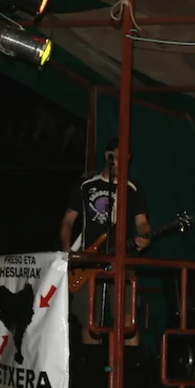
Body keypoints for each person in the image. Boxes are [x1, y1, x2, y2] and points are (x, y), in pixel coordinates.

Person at [60, 136, 150, 346]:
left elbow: (142, 223)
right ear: (107, 156)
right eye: (114, 156)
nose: (118, 161)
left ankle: (130, 362)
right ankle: (91, 362)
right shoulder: (86, 185)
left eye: (122, 157)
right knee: (90, 319)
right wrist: (68, 251)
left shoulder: (132, 187)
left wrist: (145, 237)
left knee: (128, 319)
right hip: (89, 260)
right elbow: (67, 220)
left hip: (122, 260)